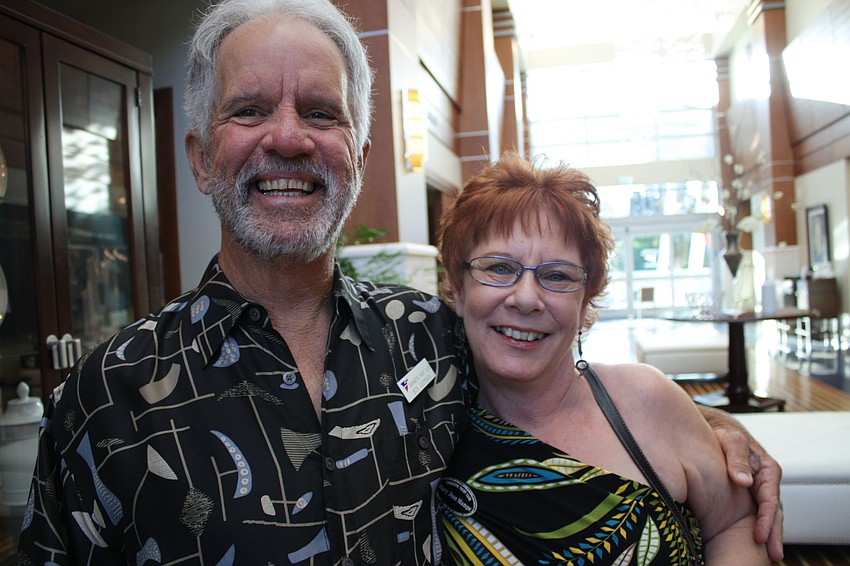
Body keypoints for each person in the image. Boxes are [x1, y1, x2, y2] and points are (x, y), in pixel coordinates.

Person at [15, 1, 781, 564]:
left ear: (359, 155)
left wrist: (712, 435)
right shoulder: (107, 397)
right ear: (200, 157)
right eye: (249, 109)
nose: (288, 136)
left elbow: (556, 398)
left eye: (322, 112)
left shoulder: (430, 339)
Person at [436, 152, 771, 564]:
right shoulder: (426, 427)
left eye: (557, 275)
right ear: (458, 287)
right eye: (500, 268)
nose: (526, 298)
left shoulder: (645, 398)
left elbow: (735, 523)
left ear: (585, 301)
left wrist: (725, 423)